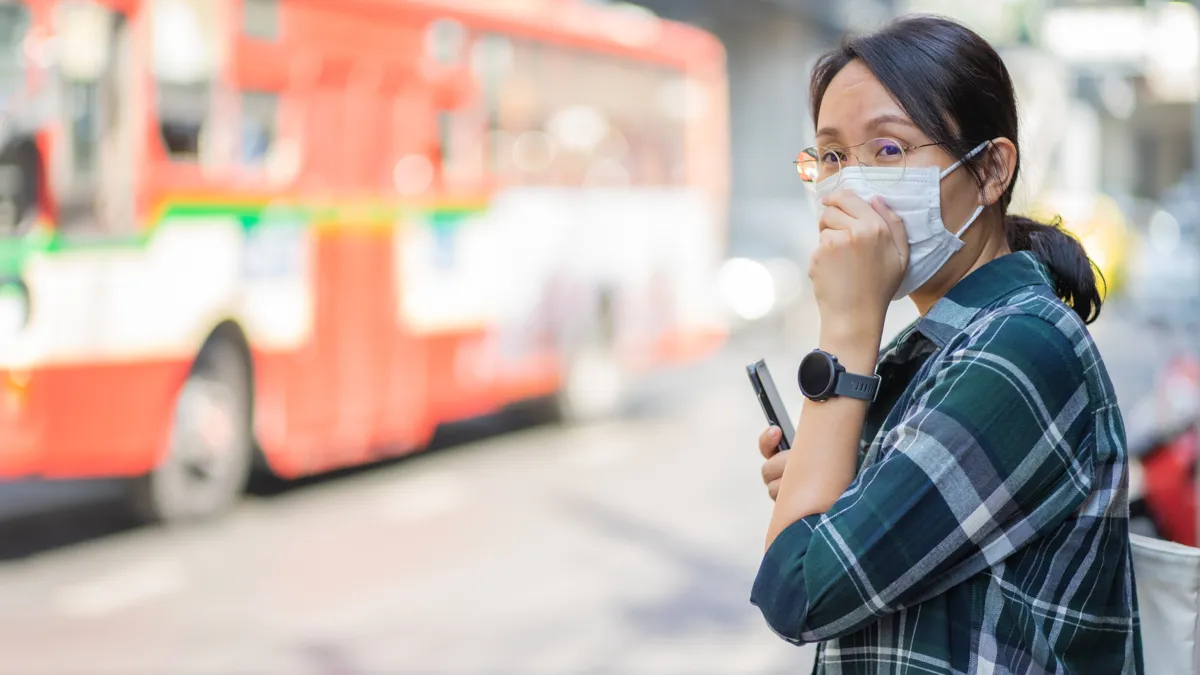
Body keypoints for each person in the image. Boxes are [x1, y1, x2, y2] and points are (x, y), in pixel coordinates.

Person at [750, 16, 1142, 674]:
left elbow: (800, 589)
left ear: (990, 169)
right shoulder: (937, 350)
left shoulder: (1024, 346)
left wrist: (847, 328)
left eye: (890, 151)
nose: (851, 187)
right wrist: (831, 467)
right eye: (834, 157)